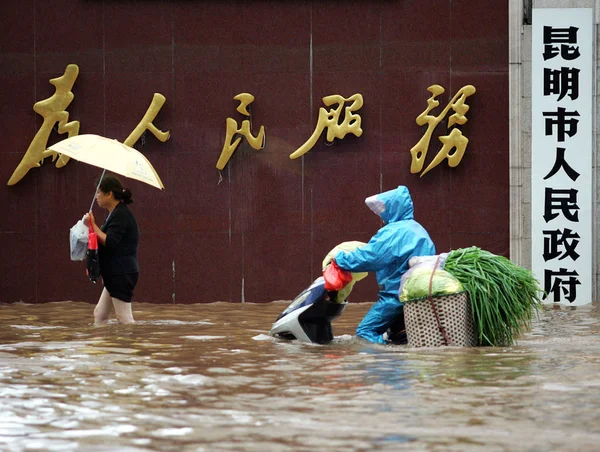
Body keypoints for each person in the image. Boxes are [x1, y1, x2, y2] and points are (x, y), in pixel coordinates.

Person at [332, 185, 436, 344]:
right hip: (418, 293)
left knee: (364, 333)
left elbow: (371, 257)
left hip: (396, 295)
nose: (381, 215)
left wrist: (339, 258)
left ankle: (383, 361)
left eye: (384, 209)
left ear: (394, 208)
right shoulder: (418, 230)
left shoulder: (394, 232)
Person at [83, 174, 139, 325]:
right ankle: (106, 347)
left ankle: (131, 346)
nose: (96, 196)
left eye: (99, 192)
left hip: (121, 272)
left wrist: (92, 225)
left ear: (109, 194)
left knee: (124, 318)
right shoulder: (115, 213)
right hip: (115, 272)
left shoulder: (120, 214)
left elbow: (111, 241)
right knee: (100, 314)